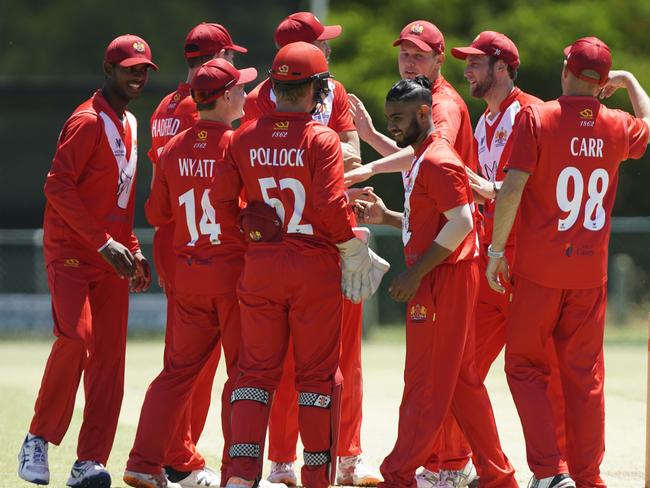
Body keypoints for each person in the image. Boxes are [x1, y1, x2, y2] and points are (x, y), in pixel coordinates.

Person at [211, 41, 388, 488]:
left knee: (254, 374)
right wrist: (350, 247)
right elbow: (330, 204)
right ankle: (315, 477)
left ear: (272, 86)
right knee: (317, 377)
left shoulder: (242, 135)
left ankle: (243, 473)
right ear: (315, 88)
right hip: (312, 267)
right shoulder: (321, 137)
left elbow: (222, 202)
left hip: (262, 265)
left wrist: (253, 239)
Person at [487, 37, 650, 488]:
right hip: (589, 275)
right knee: (584, 377)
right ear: (602, 84)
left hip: (540, 270)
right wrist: (632, 81)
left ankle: (547, 471)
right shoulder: (617, 124)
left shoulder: (537, 116)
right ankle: (588, 475)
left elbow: (513, 187)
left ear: (565, 71)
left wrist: (496, 251)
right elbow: (649, 120)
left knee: (523, 366)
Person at [354, 76, 517, 488]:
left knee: (426, 382)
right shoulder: (424, 154)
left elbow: (462, 223)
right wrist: (387, 216)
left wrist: (414, 273)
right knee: (462, 383)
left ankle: (399, 474)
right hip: (447, 276)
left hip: (442, 279)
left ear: (425, 113)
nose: (393, 125)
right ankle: (499, 476)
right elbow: (435, 219)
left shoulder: (438, 158)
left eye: (399, 118)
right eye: (389, 118)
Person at [416, 31, 560, 488]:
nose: (467, 70)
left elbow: (530, 192)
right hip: (492, 259)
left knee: (539, 371)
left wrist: (484, 189)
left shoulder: (532, 113)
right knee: (463, 368)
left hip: (525, 262)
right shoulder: (485, 119)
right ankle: (452, 465)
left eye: (476, 63)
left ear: (502, 68)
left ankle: (557, 471)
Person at [17, 34, 156, 488]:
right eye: (129, 67)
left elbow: (119, 200)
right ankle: (38, 438)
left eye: (143, 69)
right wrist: (102, 243)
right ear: (108, 69)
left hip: (109, 254)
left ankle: (89, 461)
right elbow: (57, 187)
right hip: (74, 252)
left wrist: (131, 247)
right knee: (76, 339)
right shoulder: (87, 120)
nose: (137, 75)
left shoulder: (132, 123)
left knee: (110, 360)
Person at [123, 58, 258, 488]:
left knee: (176, 374)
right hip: (233, 275)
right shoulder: (238, 144)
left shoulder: (172, 148)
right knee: (243, 374)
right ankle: (238, 475)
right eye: (239, 88)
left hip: (189, 274)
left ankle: (142, 463)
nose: (245, 95)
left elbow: (157, 212)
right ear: (221, 98)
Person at [147, 22, 247, 488]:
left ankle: (171, 454)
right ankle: (181, 457)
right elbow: (214, 172)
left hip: (176, 238)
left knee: (183, 361)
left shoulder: (165, 106)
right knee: (208, 366)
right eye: (230, 57)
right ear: (217, 58)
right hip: (210, 242)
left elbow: (160, 194)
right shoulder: (199, 107)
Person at [344, 20, 475, 187]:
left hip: (449, 212)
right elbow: (416, 156)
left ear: (439, 59)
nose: (409, 62)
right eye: (404, 53)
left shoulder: (444, 103)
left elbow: (432, 151)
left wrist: (372, 168)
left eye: (419, 55)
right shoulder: (418, 97)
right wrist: (371, 136)